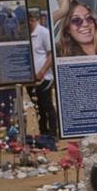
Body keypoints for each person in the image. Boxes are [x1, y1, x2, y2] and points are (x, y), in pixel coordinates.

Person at [27, 8, 58, 138]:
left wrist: (42, 72)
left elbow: (51, 55)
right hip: (29, 79)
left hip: (44, 77)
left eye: (29, 20)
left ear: (33, 20)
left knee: (47, 105)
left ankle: (53, 133)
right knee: (38, 107)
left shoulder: (44, 33)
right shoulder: (25, 34)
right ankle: (43, 132)